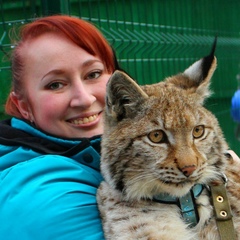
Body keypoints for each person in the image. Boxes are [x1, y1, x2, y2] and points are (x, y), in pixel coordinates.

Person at [0, 15, 117, 240]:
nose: (83, 99)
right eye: (55, 84)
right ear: (23, 106)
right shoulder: (46, 196)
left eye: (93, 74)